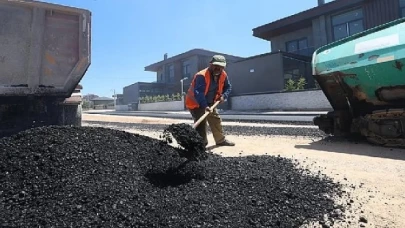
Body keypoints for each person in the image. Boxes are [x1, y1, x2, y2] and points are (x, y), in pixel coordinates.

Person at [185, 54, 235, 147]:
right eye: (216, 66)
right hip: (196, 103)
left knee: (216, 120)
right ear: (210, 64)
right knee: (201, 123)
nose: (218, 68)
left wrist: (224, 96)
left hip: (211, 102)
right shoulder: (201, 75)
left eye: (221, 67)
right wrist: (205, 106)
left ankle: (220, 140)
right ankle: (201, 144)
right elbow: (198, 93)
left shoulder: (223, 74)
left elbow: (228, 87)